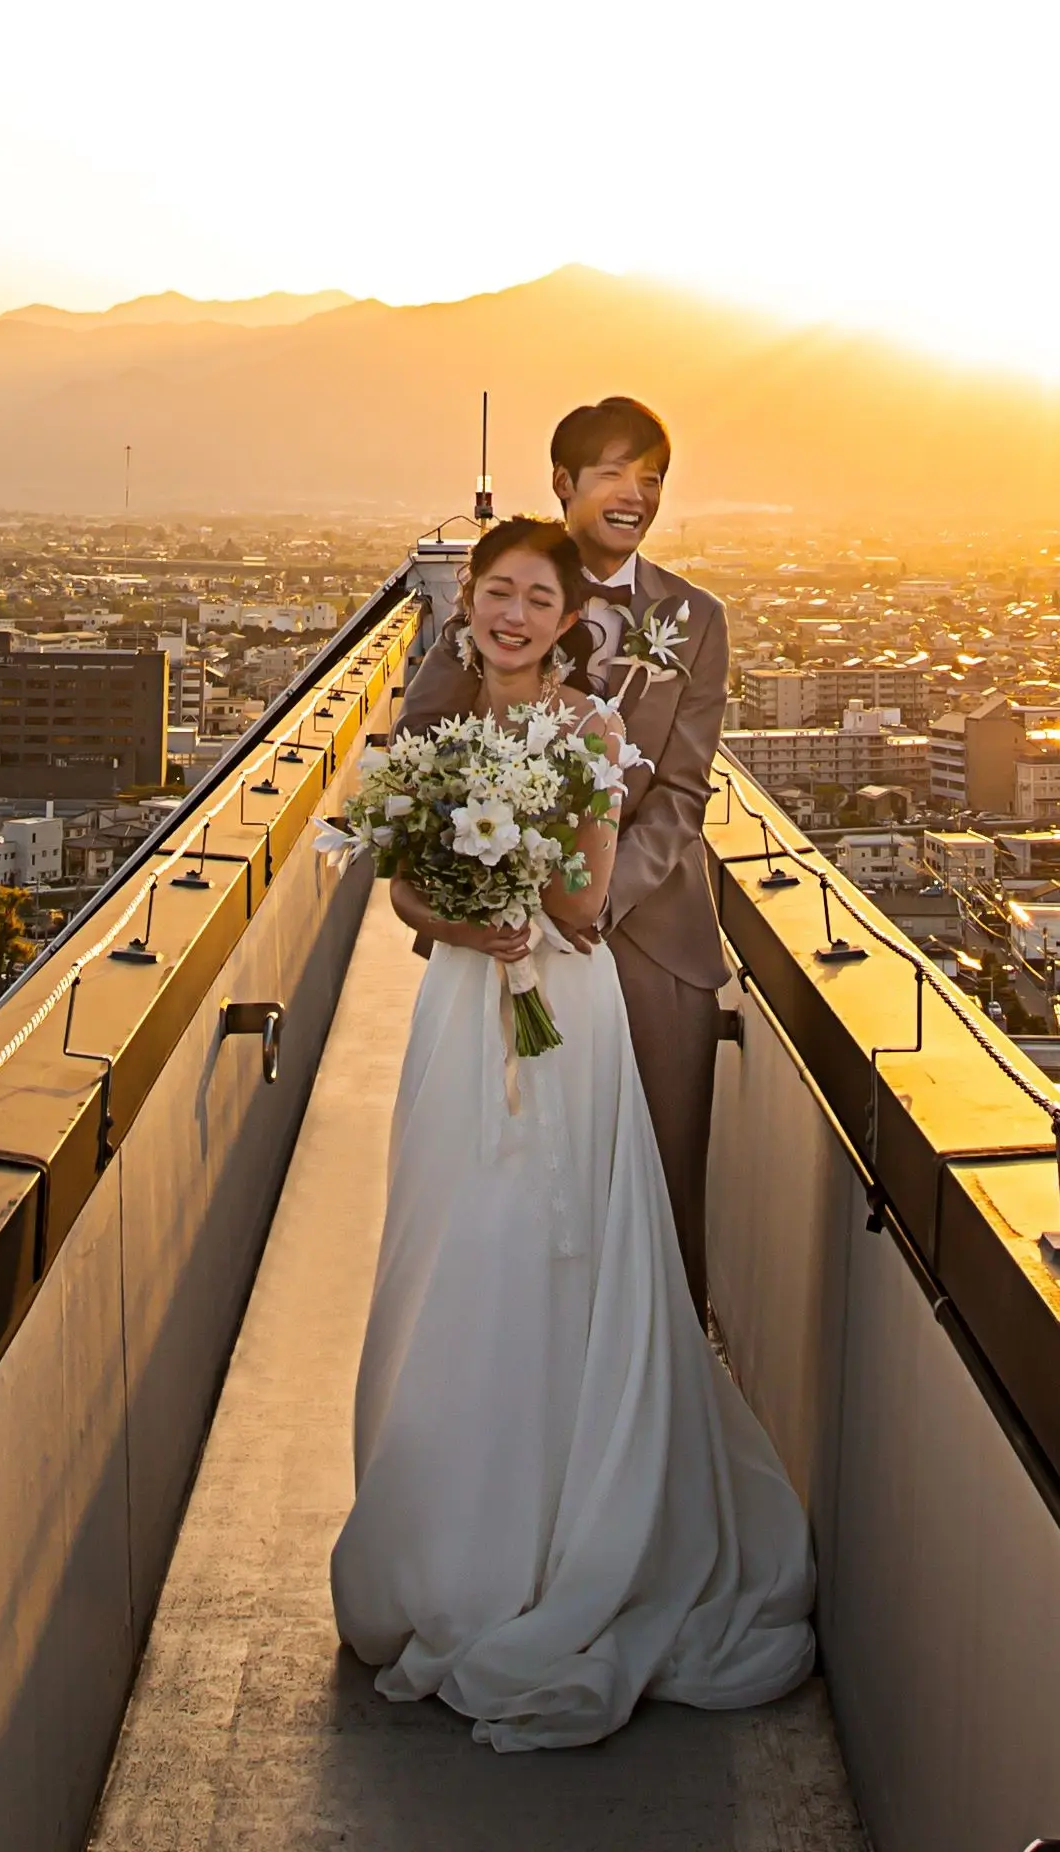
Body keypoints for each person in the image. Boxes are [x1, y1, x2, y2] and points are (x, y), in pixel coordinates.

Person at [332, 517, 815, 1751]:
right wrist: (461, 912)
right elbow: (400, 890)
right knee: (453, 1245)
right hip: (460, 1010)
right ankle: (454, 1542)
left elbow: (590, 898)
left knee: (555, 1250)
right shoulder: (440, 728)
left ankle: (561, 1543)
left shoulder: (591, 730)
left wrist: (510, 887)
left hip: (564, 1013)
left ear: (566, 619)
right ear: (469, 606)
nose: (512, 616)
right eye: (495, 593)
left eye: (536, 599)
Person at [400, 392, 727, 1306]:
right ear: (564, 484)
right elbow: (425, 747)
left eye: (652, 478)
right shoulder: (502, 596)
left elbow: (686, 793)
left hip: (652, 935)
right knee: (505, 1191)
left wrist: (595, 895)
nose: (635, 494)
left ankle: (652, 1415)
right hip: (501, 944)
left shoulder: (696, 620)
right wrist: (496, 891)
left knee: (659, 1199)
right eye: (614, 473)